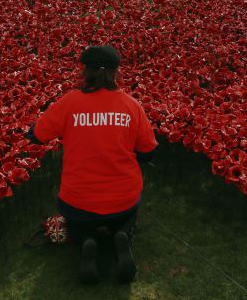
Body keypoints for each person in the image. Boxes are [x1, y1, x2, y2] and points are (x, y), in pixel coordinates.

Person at [27, 45, 158, 284]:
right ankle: (122, 234)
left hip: (78, 199)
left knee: (77, 220)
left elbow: (37, 136)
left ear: (85, 72)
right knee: (128, 211)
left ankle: (86, 241)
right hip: (122, 199)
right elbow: (149, 150)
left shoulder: (70, 102)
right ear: (116, 72)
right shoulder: (130, 105)